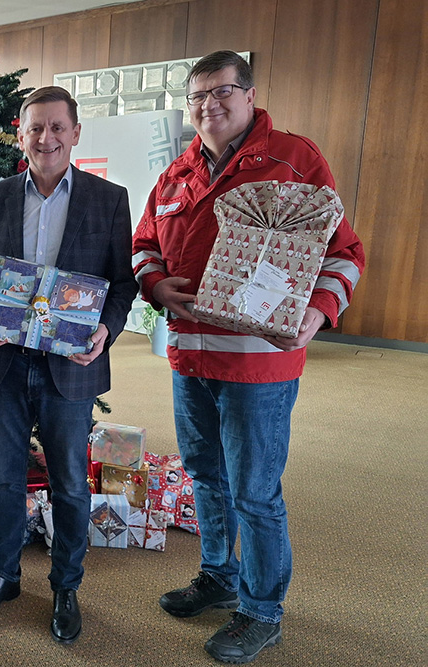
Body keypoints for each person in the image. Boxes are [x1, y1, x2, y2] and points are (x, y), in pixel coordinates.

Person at [132, 50, 365, 664]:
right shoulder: (175, 174)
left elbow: (346, 252)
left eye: (223, 90)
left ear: (250, 93)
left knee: (255, 493)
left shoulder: (294, 159)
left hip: (259, 364)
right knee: (204, 477)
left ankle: (262, 611)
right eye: (199, 96)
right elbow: (144, 247)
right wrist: (154, 286)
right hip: (190, 357)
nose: (211, 104)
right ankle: (218, 575)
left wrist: (317, 313)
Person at [0, 86, 139, 644]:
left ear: (76, 133)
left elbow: (123, 284)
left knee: (69, 484)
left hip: (71, 367)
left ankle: (66, 586)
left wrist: (105, 329)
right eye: (35, 128)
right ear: (20, 133)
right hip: (4, 363)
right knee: (6, 479)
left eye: (57, 127)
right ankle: (4, 576)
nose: (46, 138)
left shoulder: (108, 199)